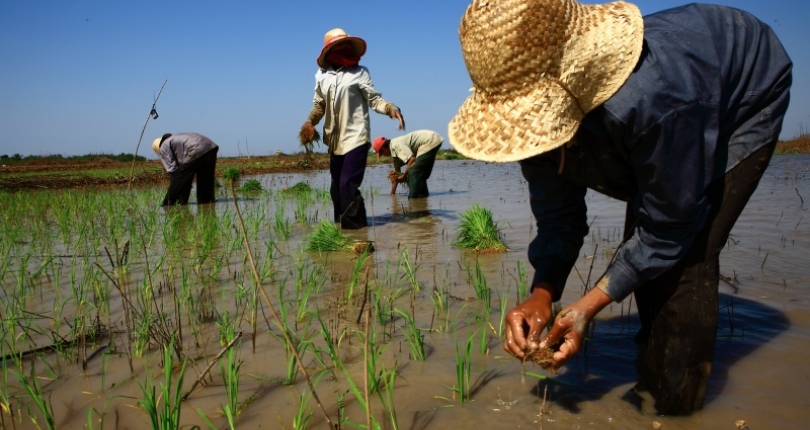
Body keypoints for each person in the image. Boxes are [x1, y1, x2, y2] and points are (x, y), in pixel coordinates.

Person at [447, 0, 791, 415]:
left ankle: (674, 409)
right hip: (660, 110)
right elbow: (559, 219)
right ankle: (650, 382)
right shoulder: (527, 115)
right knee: (649, 255)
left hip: (743, 90)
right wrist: (543, 292)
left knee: (685, 258)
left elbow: (669, 226)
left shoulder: (658, 99)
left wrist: (589, 305)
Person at [300, 28, 405, 229]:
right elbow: (319, 106)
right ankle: (340, 226)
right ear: (330, 51)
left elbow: (374, 99)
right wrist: (309, 123)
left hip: (356, 138)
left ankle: (355, 233)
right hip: (334, 140)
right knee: (336, 188)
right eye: (338, 46)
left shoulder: (359, 73)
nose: (344, 49)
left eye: (345, 45)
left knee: (348, 184)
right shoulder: (322, 76)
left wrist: (391, 109)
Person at [152, 132, 219, 206]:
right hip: (211, 147)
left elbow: (173, 170)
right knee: (205, 182)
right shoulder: (176, 139)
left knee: (178, 178)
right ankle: (207, 205)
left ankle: (167, 205)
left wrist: (175, 184)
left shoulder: (164, 147)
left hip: (195, 149)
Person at [373, 130, 443, 198]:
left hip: (430, 140)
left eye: (382, 154)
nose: (383, 156)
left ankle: (413, 200)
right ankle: (423, 198)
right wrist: (392, 193)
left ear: (383, 149)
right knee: (420, 176)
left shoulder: (396, 145)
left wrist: (404, 176)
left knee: (413, 171)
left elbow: (412, 159)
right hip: (432, 140)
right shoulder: (394, 152)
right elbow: (397, 174)